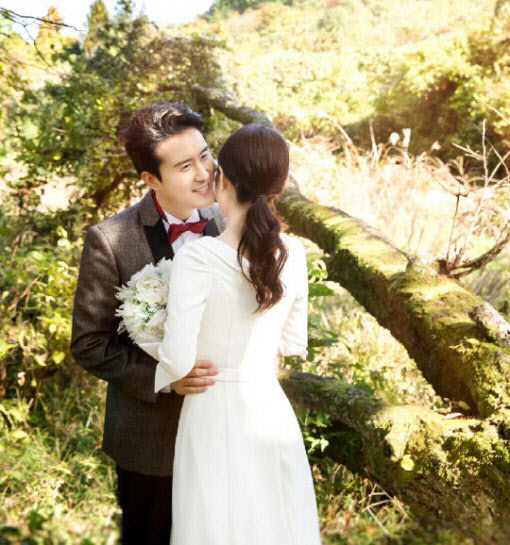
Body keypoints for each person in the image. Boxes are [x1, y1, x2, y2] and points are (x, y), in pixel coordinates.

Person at [155, 123, 322, 544]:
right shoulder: (295, 254)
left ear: (222, 178)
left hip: (211, 410)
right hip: (269, 407)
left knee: (214, 525)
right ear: (279, 186)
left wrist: (165, 369)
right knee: (276, 525)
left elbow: (177, 358)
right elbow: (292, 343)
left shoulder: (198, 257)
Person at [70, 102, 225, 545]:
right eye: (185, 166)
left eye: (205, 156)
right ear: (150, 179)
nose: (204, 173)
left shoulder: (231, 220)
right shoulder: (111, 240)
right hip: (152, 444)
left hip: (223, 432)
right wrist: (164, 378)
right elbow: (89, 344)